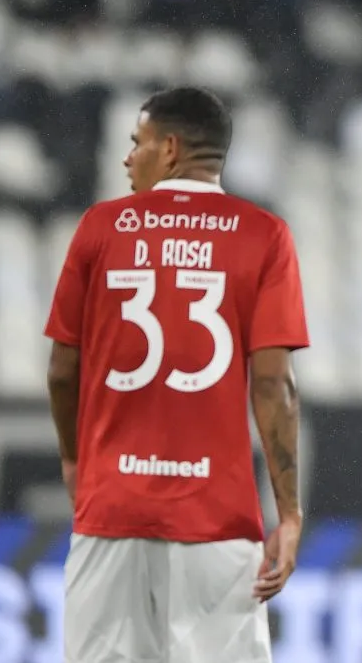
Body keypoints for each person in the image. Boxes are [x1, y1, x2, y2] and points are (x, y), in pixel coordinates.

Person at [44, 86, 310, 663]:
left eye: (136, 142)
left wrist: (73, 460)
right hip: (217, 517)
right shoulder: (264, 236)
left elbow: (63, 370)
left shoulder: (101, 227)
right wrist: (289, 513)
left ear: (168, 149)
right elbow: (273, 385)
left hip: (112, 506)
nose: (127, 157)